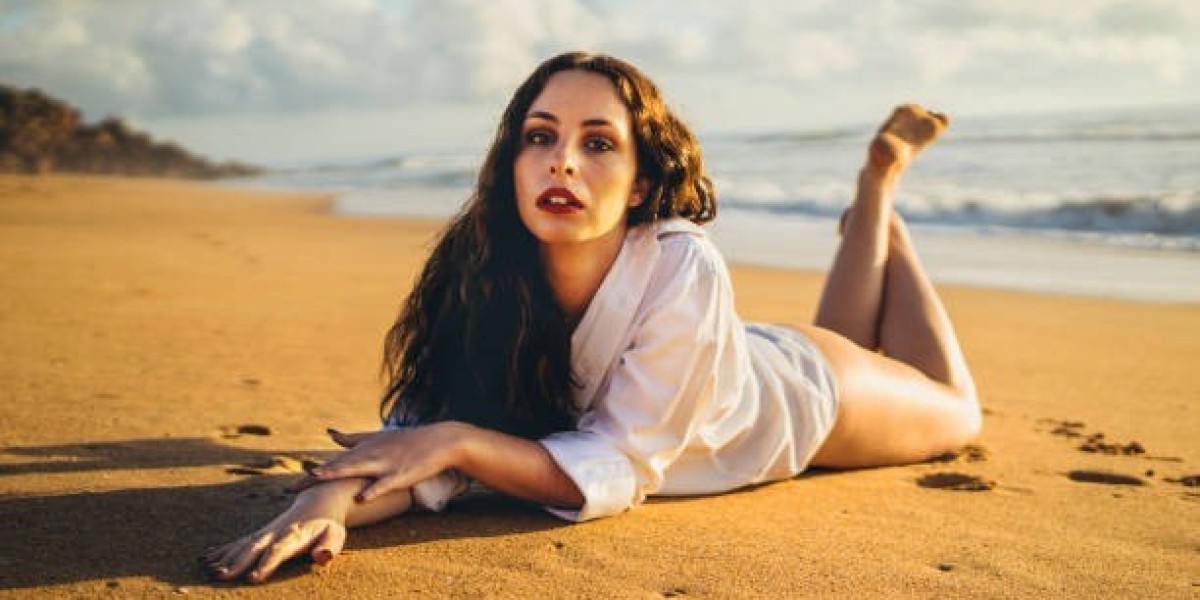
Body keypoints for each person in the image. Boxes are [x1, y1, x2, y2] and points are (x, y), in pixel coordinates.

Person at [203, 51, 981, 583]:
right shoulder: (476, 272)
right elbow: (426, 453)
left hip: (800, 398)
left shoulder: (682, 263)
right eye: (540, 137)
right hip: (711, 360)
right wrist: (327, 501)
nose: (562, 161)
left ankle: (879, 199)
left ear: (642, 185)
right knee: (857, 335)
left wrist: (460, 442)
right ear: (511, 162)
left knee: (958, 411)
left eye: (598, 143)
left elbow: (616, 465)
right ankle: (870, 220)